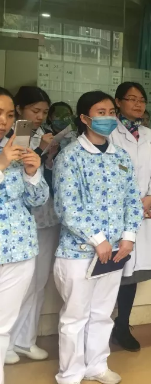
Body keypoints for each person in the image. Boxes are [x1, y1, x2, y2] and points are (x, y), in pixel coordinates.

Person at [53, 90, 143, 384]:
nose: (108, 118)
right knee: (75, 317)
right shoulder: (71, 156)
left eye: (111, 112)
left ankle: (97, 366)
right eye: (100, 113)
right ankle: (70, 374)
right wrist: (97, 239)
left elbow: (133, 199)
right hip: (79, 252)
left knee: (102, 313)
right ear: (84, 118)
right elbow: (67, 206)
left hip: (115, 252)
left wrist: (128, 237)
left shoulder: (121, 157)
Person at [109, 82, 151, 352]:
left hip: (143, 211)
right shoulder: (109, 133)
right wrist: (131, 203)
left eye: (141, 99)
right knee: (110, 272)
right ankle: (100, 327)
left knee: (130, 275)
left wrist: (149, 197)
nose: (138, 104)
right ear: (118, 102)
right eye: (131, 99)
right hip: (115, 213)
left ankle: (122, 325)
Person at [7, 87, 60, 365]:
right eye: (34, 111)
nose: (39, 117)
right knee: (14, 286)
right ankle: (7, 342)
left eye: (44, 112)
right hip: (13, 226)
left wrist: (47, 154)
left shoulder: (42, 134)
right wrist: (39, 149)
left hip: (44, 217)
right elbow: (12, 176)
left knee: (37, 282)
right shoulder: (14, 139)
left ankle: (25, 340)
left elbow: (41, 180)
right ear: (19, 110)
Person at [0, 87, 49, 384]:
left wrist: (33, 172)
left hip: (18, 249)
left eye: (8, 115)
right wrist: (2, 164)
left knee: (2, 327)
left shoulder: (16, 147)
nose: (4, 121)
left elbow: (38, 200)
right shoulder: (6, 155)